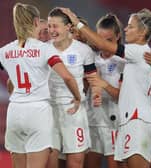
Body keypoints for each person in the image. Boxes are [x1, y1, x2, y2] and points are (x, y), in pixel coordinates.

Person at [60, 8, 151, 168]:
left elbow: (102, 44)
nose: (125, 29)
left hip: (135, 121)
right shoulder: (145, 54)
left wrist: (77, 23)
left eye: (130, 27)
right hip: (145, 121)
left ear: (142, 32)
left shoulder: (136, 51)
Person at [0, 3, 81, 168]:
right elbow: (67, 77)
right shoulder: (44, 49)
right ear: (36, 21)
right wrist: (78, 98)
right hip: (38, 111)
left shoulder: (5, 51)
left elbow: (10, 81)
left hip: (15, 111)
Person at [47, 8, 98, 168]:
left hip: (75, 112)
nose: (51, 30)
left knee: (76, 161)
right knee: (51, 160)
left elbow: (93, 78)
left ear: (68, 27)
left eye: (55, 26)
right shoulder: (43, 49)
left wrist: (96, 93)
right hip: (49, 111)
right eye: (49, 26)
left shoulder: (84, 50)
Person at [85, 13, 125, 168]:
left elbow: (121, 97)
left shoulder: (123, 61)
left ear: (118, 37)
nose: (103, 45)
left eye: (109, 40)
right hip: (93, 120)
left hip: (114, 122)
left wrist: (104, 85)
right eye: (101, 40)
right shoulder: (90, 58)